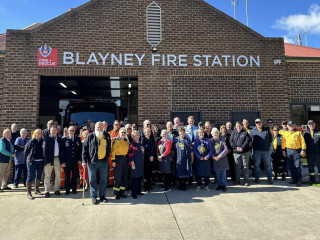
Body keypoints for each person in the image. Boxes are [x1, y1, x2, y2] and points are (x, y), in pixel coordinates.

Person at [82, 122, 111, 204]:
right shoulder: (90, 136)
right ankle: (93, 197)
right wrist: (84, 161)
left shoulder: (107, 136)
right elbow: (85, 149)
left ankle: (102, 196)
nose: (99, 128)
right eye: (98, 127)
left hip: (103, 161)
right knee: (92, 180)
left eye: (101, 127)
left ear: (103, 127)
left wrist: (107, 155)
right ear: (95, 128)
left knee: (103, 180)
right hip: (92, 162)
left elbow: (108, 147)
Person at [282, 121, 306, 186]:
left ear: (294, 126)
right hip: (288, 151)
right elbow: (283, 142)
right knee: (291, 166)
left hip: (296, 151)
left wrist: (303, 150)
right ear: (287, 126)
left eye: (291, 125)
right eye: (289, 125)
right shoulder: (286, 133)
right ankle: (293, 179)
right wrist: (283, 150)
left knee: (297, 166)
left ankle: (299, 180)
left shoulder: (298, 133)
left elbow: (303, 142)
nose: (290, 126)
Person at [43, 126, 65, 197]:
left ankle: (57, 190)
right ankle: (47, 191)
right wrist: (47, 161)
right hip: (49, 159)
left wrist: (62, 161)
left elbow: (62, 150)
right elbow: (44, 151)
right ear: (50, 131)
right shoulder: (47, 139)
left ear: (57, 132)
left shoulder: (59, 139)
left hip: (57, 158)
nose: (54, 132)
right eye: (52, 131)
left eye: (55, 131)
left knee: (58, 175)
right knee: (47, 175)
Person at [250, 119, 273, 184]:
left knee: (268, 165)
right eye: (257, 122)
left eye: (259, 122)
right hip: (256, 151)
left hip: (266, 151)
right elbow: (250, 141)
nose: (258, 124)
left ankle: (270, 178)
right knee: (257, 165)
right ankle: (257, 178)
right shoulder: (252, 131)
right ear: (255, 123)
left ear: (262, 123)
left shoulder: (267, 130)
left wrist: (266, 145)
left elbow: (270, 140)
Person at [24, 129, 44, 199]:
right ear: (35, 134)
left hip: (40, 161)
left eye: (40, 133)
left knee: (39, 175)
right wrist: (28, 160)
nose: (39, 134)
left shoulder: (43, 141)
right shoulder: (32, 141)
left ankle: (37, 190)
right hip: (32, 162)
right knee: (30, 176)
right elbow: (26, 151)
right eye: (38, 133)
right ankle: (28, 193)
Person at [62, 126, 82, 195]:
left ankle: (74, 189)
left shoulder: (78, 139)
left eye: (73, 130)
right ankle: (67, 189)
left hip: (75, 161)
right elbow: (62, 152)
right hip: (67, 161)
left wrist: (79, 159)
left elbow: (80, 150)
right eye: (70, 130)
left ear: (74, 131)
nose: (71, 132)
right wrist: (63, 161)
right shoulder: (64, 139)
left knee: (74, 176)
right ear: (68, 131)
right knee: (67, 176)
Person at [230, 121, 251, 186]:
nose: (238, 127)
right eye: (237, 125)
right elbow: (231, 141)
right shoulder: (233, 133)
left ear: (242, 126)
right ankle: (237, 180)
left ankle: (246, 180)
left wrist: (242, 148)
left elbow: (247, 141)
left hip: (245, 152)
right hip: (236, 152)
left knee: (245, 166)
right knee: (237, 166)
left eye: (240, 125)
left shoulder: (245, 132)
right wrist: (236, 148)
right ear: (235, 126)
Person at [111, 127, 129, 199]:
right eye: (122, 132)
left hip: (125, 159)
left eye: (124, 132)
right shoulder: (116, 141)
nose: (123, 134)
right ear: (119, 133)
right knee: (118, 177)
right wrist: (113, 161)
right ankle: (116, 193)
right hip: (118, 159)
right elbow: (113, 152)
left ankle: (122, 192)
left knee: (124, 177)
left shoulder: (126, 141)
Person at [172, 126, 193, 191]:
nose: (182, 134)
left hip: (186, 159)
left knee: (185, 171)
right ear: (179, 133)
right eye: (180, 133)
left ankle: (184, 185)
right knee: (178, 171)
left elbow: (191, 150)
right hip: (178, 158)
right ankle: (180, 184)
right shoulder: (175, 140)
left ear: (184, 133)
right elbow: (172, 150)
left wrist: (192, 159)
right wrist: (172, 158)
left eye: (183, 133)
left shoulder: (187, 140)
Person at [128, 130, 144, 199]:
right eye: (136, 135)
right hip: (135, 163)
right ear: (133, 137)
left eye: (138, 135)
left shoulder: (140, 143)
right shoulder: (132, 144)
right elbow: (130, 154)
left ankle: (138, 191)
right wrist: (132, 163)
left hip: (140, 163)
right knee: (134, 178)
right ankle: (133, 193)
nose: (138, 136)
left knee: (139, 177)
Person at [303, 120, 320, 184]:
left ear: (315, 124)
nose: (311, 125)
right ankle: (312, 179)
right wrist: (303, 151)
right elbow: (303, 143)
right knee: (310, 166)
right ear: (308, 125)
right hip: (309, 153)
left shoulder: (319, 132)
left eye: (312, 124)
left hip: (318, 153)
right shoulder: (305, 133)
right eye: (310, 124)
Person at [142, 127, 155, 192]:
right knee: (146, 174)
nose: (148, 133)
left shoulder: (152, 139)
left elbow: (153, 149)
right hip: (145, 159)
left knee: (150, 173)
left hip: (151, 159)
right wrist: (149, 156)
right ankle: (145, 187)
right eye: (146, 132)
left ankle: (149, 185)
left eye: (149, 132)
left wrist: (152, 156)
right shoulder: (143, 140)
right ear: (144, 133)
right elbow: (144, 150)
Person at [108, 120, 121, 186]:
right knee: (111, 168)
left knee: (118, 169)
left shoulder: (120, 133)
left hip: (118, 154)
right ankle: (111, 182)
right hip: (111, 154)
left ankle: (117, 183)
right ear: (113, 125)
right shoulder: (109, 133)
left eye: (118, 124)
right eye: (116, 124)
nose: (117, 126)